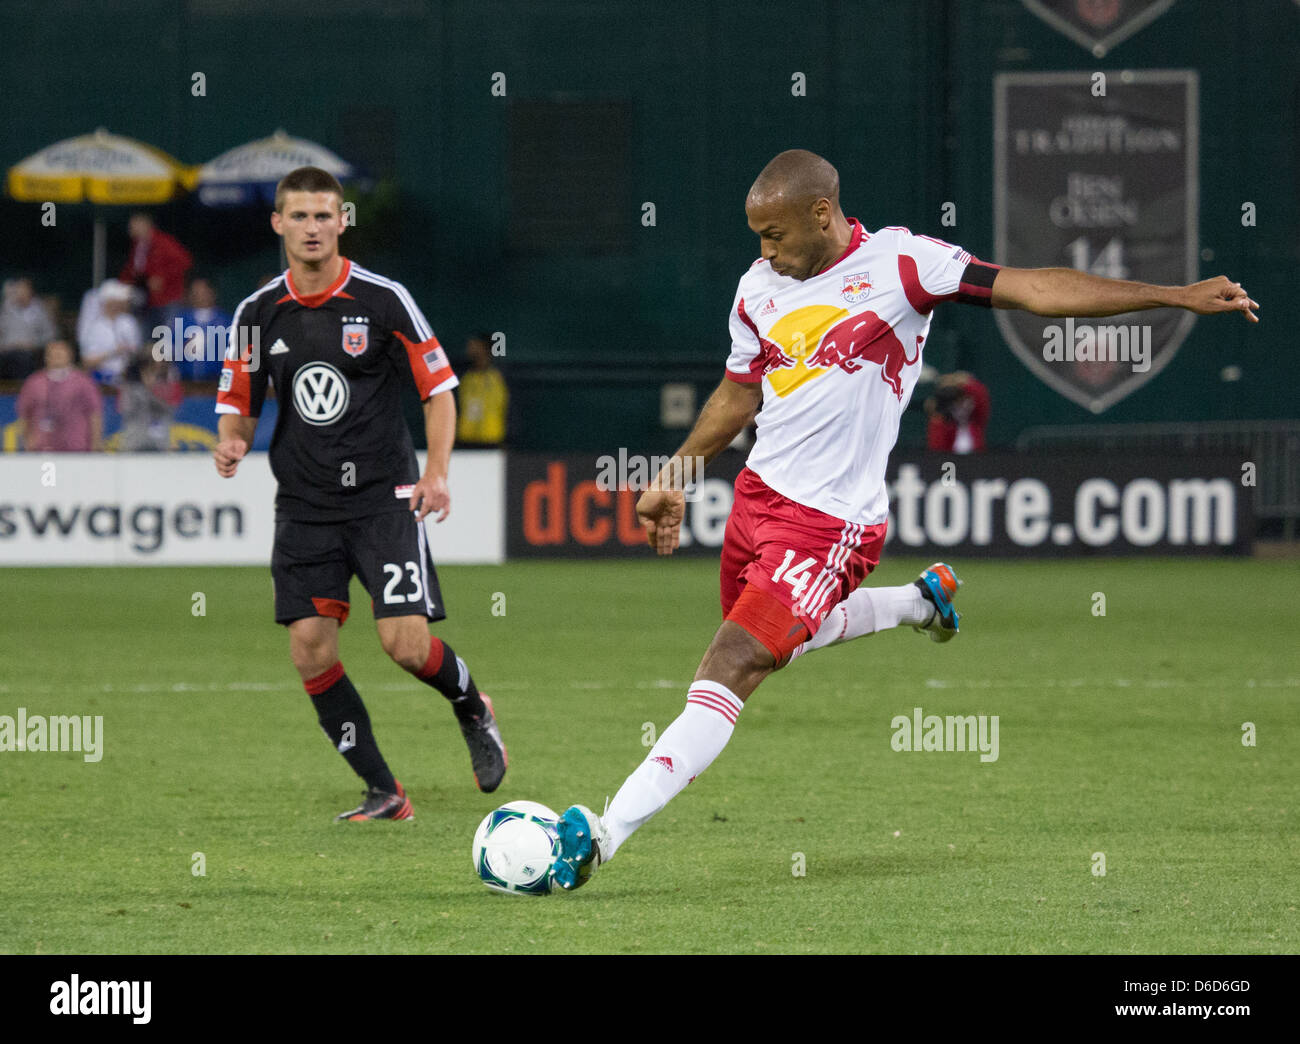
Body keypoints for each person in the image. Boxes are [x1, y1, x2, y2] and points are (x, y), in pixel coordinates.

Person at [548, 148, 1260, 891]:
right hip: (756, 503)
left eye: (775, 234)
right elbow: (739, 394)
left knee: (733, 664)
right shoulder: (758, 288)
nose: (765, 250)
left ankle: (603, 834)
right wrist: (676, 472)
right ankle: (921, 601)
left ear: (821, 213)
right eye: (757, 235)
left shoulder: (906, 264)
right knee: (773, 647)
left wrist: (1172, 295)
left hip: (831, 525)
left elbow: (1039, 291)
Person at [212, 166, 505, 822]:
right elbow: (237, 404)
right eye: (300, 216)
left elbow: (439, 390)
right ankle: (384, 791)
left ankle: (472, 706)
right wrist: (232, 441)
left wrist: (436, 474)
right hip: (306, 508)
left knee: (404, 645)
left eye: (325, 216)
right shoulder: (258, 313)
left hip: (381, 500)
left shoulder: (382, 299)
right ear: (278, 223)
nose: (313, 228)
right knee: (309, 647)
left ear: (342, 222)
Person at [16, 339, 102, 452]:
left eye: (61, 353)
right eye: (53, 353)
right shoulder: (34, 382)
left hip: (76, 447)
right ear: (46, 357)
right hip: (42, 447)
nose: (57, 356)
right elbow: (25, 414)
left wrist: (95, 444)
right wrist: (28, 441)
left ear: (70, 356)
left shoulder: (83, 382)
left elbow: (94, 414)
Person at [119, 212, 193, 329]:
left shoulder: (163, 242)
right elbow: (133, 269)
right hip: (148, 300)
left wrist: (163, 277)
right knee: (147, 335)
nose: (130, 229)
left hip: (169, 299)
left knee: (169, 336)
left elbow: (184, 262)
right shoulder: (138, 244)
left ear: (145, 225)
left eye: (133, 225)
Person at [78, 280, 143, 385]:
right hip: (101, 379)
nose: (125, 303)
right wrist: (114, 352)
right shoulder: (94, 327)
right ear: (110, 302)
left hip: (128, 377)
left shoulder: (129, 322)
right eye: (120, 301)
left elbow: (137, 351)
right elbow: (87, 361)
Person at [174, 277, 234, 380]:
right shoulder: (181, 320)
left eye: (203, 291)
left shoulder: (226, 321)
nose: (199, 295)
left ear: (213, 293)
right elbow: (169, 350)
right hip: (186, 383)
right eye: (195, 292)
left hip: (217, 383)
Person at [455, 332, 509, 445]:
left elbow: (508, 408)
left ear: (485, 348)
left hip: (493, 440)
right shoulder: (464, 377)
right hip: (465, 441)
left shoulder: (499, 376)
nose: (470, 349)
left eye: (475, 345)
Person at [0, 277, 58, 380]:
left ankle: (22, 391)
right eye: (17, 290)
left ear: (31, 291)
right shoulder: (5, 311)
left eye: (24, 290)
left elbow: (50, 335)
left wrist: (33, 344)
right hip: (6, 350)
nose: (20, 293)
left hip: (29, 352)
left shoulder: (40, 311)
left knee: (22, 359)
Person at [925, 370, 990, 453]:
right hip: (949, 463)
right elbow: (937, 448)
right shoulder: (941, 423)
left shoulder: (976, 423)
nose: (963, 406)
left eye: (964, 400)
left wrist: (958, 382)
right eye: (957, 402)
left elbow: (980, 395)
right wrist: (937, 418)